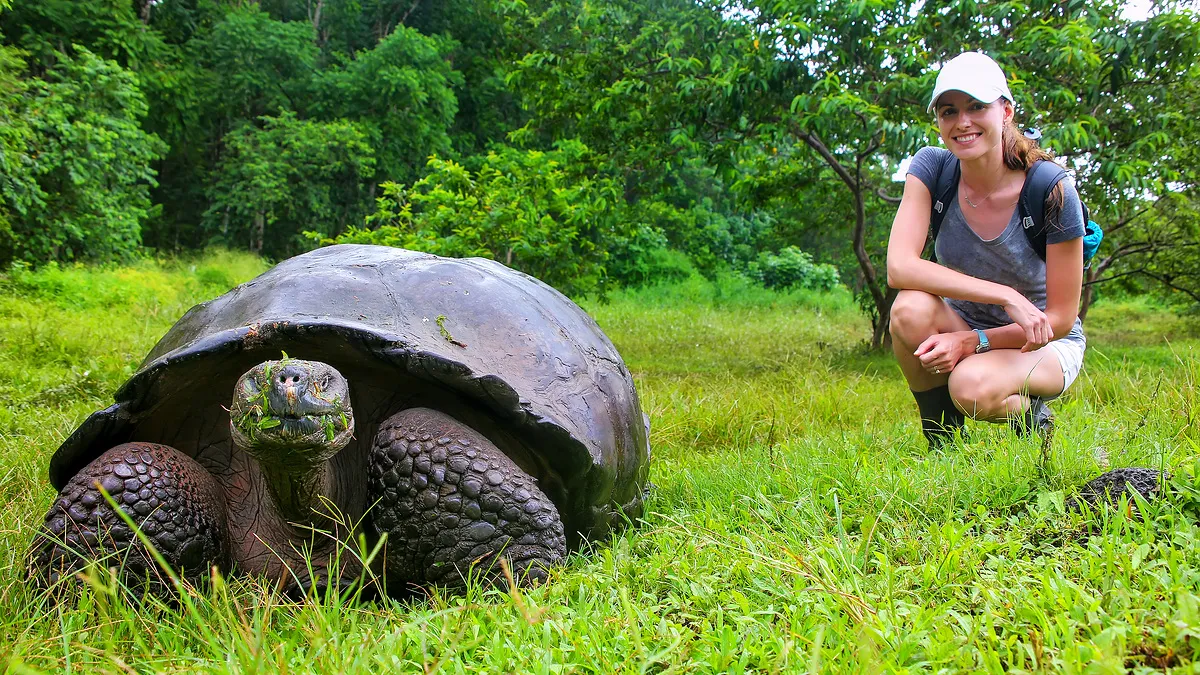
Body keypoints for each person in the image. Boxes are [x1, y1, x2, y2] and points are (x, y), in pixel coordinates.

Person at [886, 51, 1087, 449]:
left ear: (1006, 111)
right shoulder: (933, 169)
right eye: (949, 111)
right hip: (963, 321)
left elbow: (1061, 319)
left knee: (970, 387)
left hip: (1042, 343)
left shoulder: (1050, 188)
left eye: (977, 106)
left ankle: (1033, 420)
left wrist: (973, 342)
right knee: (908, 309)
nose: (962, 122)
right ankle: (943, 442)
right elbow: (899, 267)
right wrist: (1005, 295)